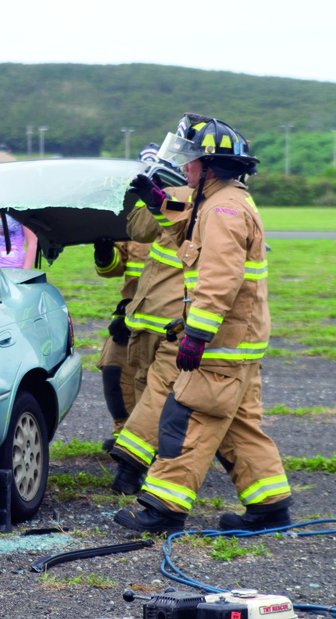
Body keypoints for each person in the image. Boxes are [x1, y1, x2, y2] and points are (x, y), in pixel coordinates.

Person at [114, 115, 291, 534]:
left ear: (211, 166)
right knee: (240, 425)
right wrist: (158, 204)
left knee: (188, 417)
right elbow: (192, 240)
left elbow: (218, 279)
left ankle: (163, 510)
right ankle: (270, 506)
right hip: (239, 342)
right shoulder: (219, 202)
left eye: (192, 162)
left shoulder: (224, 209)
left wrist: (196, 334)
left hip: (222, 342)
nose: (186, 168)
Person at [109, 146, 195, 494]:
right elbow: (137, 231)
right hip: (155, 317)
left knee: (154, 392)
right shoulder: (178, 196)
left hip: (167, 317)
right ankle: (137, 465)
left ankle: (133, 464)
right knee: (153, 391)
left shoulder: (192, 200)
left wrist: (157, 197)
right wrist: (154, 196)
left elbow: (141, 229)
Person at [92, 238, 149, 453]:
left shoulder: (191, 216)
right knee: (114, 369)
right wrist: (105, 252)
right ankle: (125, 436)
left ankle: (156, 440)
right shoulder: (137, 220)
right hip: (132, 314)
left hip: (172, 319)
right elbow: (112, 268)